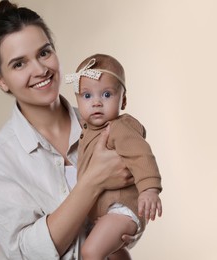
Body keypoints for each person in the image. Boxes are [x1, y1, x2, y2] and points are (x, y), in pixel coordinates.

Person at [0, 1, 138, 259]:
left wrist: (131, 224)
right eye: (19, 64)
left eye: (44, 53)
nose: (40, 70)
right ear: (0, 80)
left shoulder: (106, 125)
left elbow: (133, 199)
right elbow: (27, 254)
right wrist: (93, 180)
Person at [65, 54, 163, 260]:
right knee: (114, 253)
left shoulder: (119, 127)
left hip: (122, 208)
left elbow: (141, 154)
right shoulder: (87, 130)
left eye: (107, 95)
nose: (97, 103)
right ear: (77, 99)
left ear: (123, 100)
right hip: (107, 212)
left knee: (91, 252)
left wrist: (149, 189)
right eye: (87, 96)